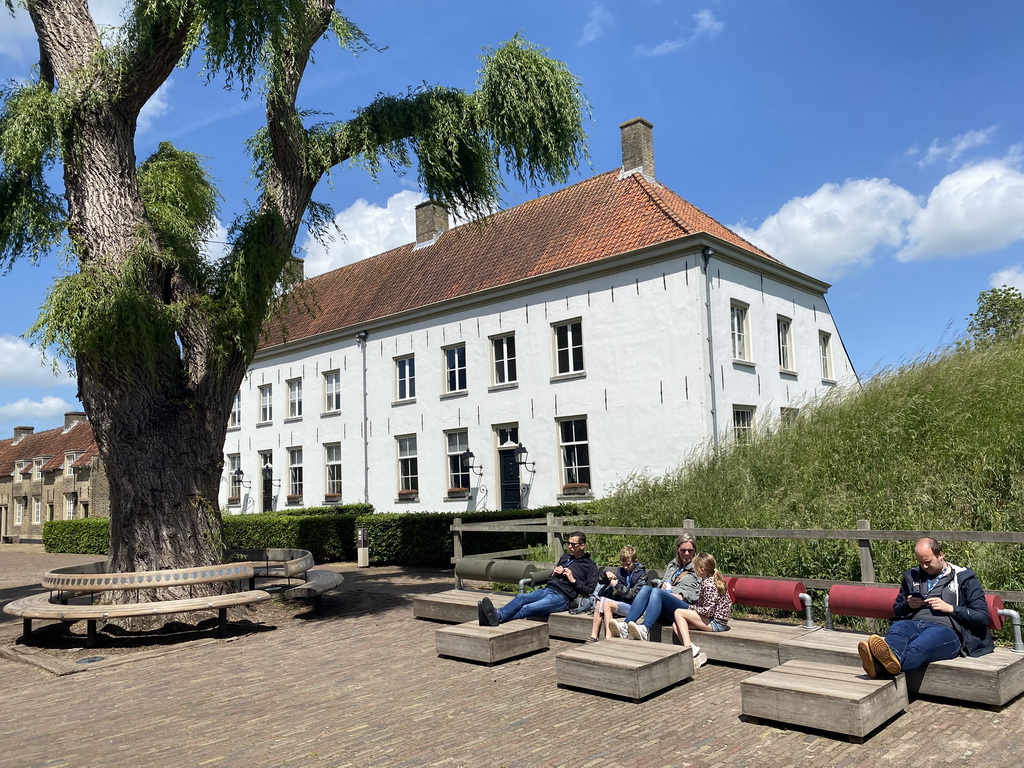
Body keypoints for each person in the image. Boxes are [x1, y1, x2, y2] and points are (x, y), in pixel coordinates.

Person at [858, 537, 994, 678]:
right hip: (911, 623)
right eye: (920, 562)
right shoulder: (912, 576)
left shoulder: (963, 577)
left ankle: (878, 667)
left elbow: (982, 617)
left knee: (917, 648)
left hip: (946, 629)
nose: (924, 567)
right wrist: (908, 605)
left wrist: (951, 608)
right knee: (897, 632)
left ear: (940, 555)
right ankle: (885, 662)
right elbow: (898, 609)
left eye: (928, 562)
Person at [478, 531, 598, 625]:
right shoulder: (565, 557)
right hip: (548, 589)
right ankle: (496, 615)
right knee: (521, 597)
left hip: (562, 598)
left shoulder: (590, 566)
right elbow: (551, 578)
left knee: (528, 608)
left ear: (582, 546)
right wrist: (554, 574)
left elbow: (589, 591)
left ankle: (494, 617)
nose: (569, 546)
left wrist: (573, 580)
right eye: (568, 543)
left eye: (573, 544)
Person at [609, 533, 700, 641]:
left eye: (690, 550)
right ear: (677, 549)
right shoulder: (673, 565)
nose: (686, 553)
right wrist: (663, 585)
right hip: (667, 605)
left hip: (685, 608)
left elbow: (700, 593)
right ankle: (625, 624)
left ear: (694, 550)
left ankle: (645, 628)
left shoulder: (699, 567)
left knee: (656, 592)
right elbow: (664, 582)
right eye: (683, 550)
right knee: (646, 589)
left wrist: (682, 596)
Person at [671, 552, 731, 669]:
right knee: (676, 624)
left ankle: (688, 648)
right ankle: (695, 654)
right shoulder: (712, 580)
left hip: (716, 622)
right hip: (714, 620)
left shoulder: (708, 583)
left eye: (695, 567)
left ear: (701, 569)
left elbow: (708, 610)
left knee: (678, 612)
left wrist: (691, 608)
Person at [587, 545, 648, 642]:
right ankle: (593, 637)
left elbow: (632, 594)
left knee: (607, 604)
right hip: (621, 603)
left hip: (633, 607)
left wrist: (617, 586)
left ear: (635, 561)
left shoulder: (642, 575)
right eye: (623, 564)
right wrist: (606, 574)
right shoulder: (620, 571)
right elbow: (600, 580)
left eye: (628, 564)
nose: (625, 567)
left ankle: (608, 638)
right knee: (599, 602)